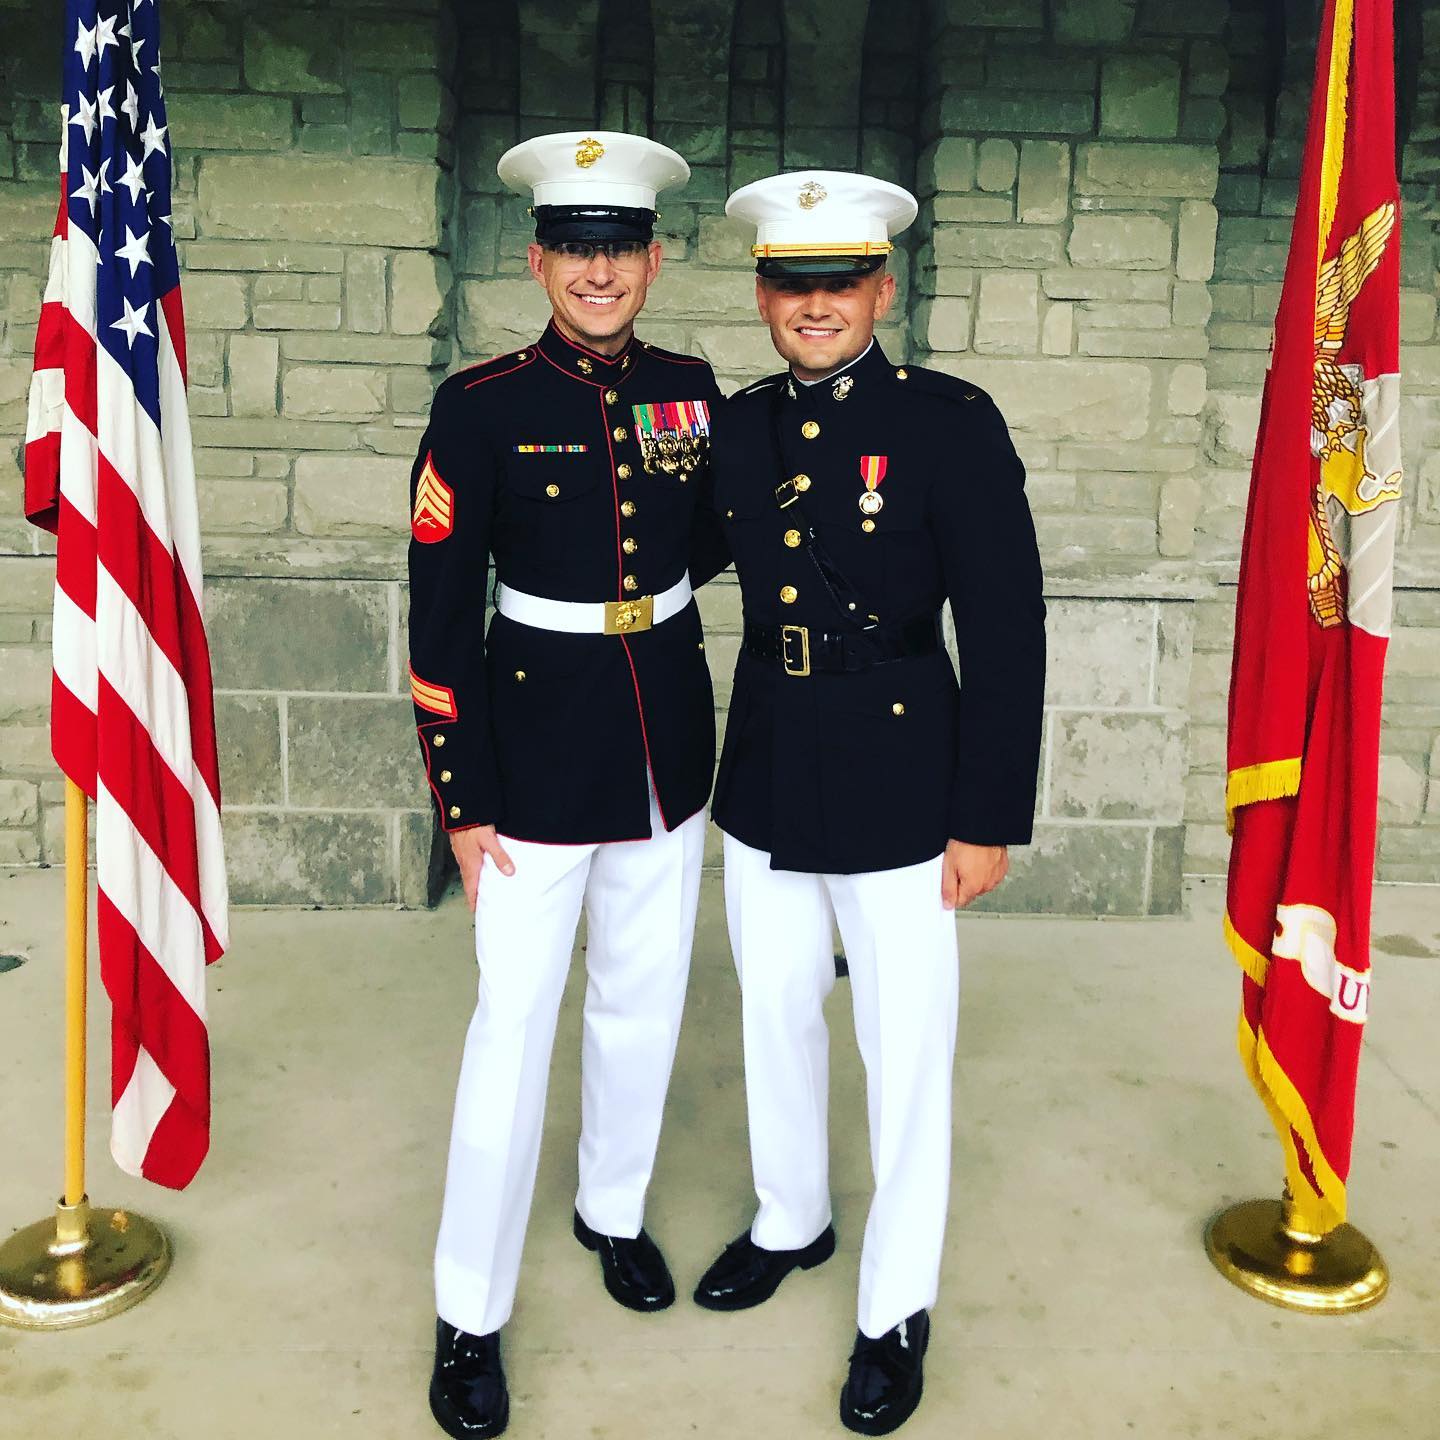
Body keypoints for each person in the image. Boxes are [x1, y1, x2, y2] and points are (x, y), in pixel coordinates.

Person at [693, 170, 1046, 1435]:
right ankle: (792, 1217)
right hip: (774, 763)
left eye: (840, 280)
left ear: (882, 288)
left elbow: (1005, 628)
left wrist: (986, 815)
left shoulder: (950, 422)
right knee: (776, 1011)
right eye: (793, 283)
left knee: (904, 1050)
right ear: (762, 295)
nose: (816, 304)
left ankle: (895, 1304)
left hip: (909, 769)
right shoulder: (734, 429)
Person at [409, 130, 727, 1440]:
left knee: (643, 1000)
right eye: (575, 250)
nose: (599, 274)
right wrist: (463, 800)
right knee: (514, 1026)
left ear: (653, 259)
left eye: (621, 249)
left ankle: (613, 1206)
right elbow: (438, 618)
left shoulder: (695, 386)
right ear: (538, 258)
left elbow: (728, 540)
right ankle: (466, 1311)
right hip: (532, 754)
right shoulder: (480, 406)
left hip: (665, 745)